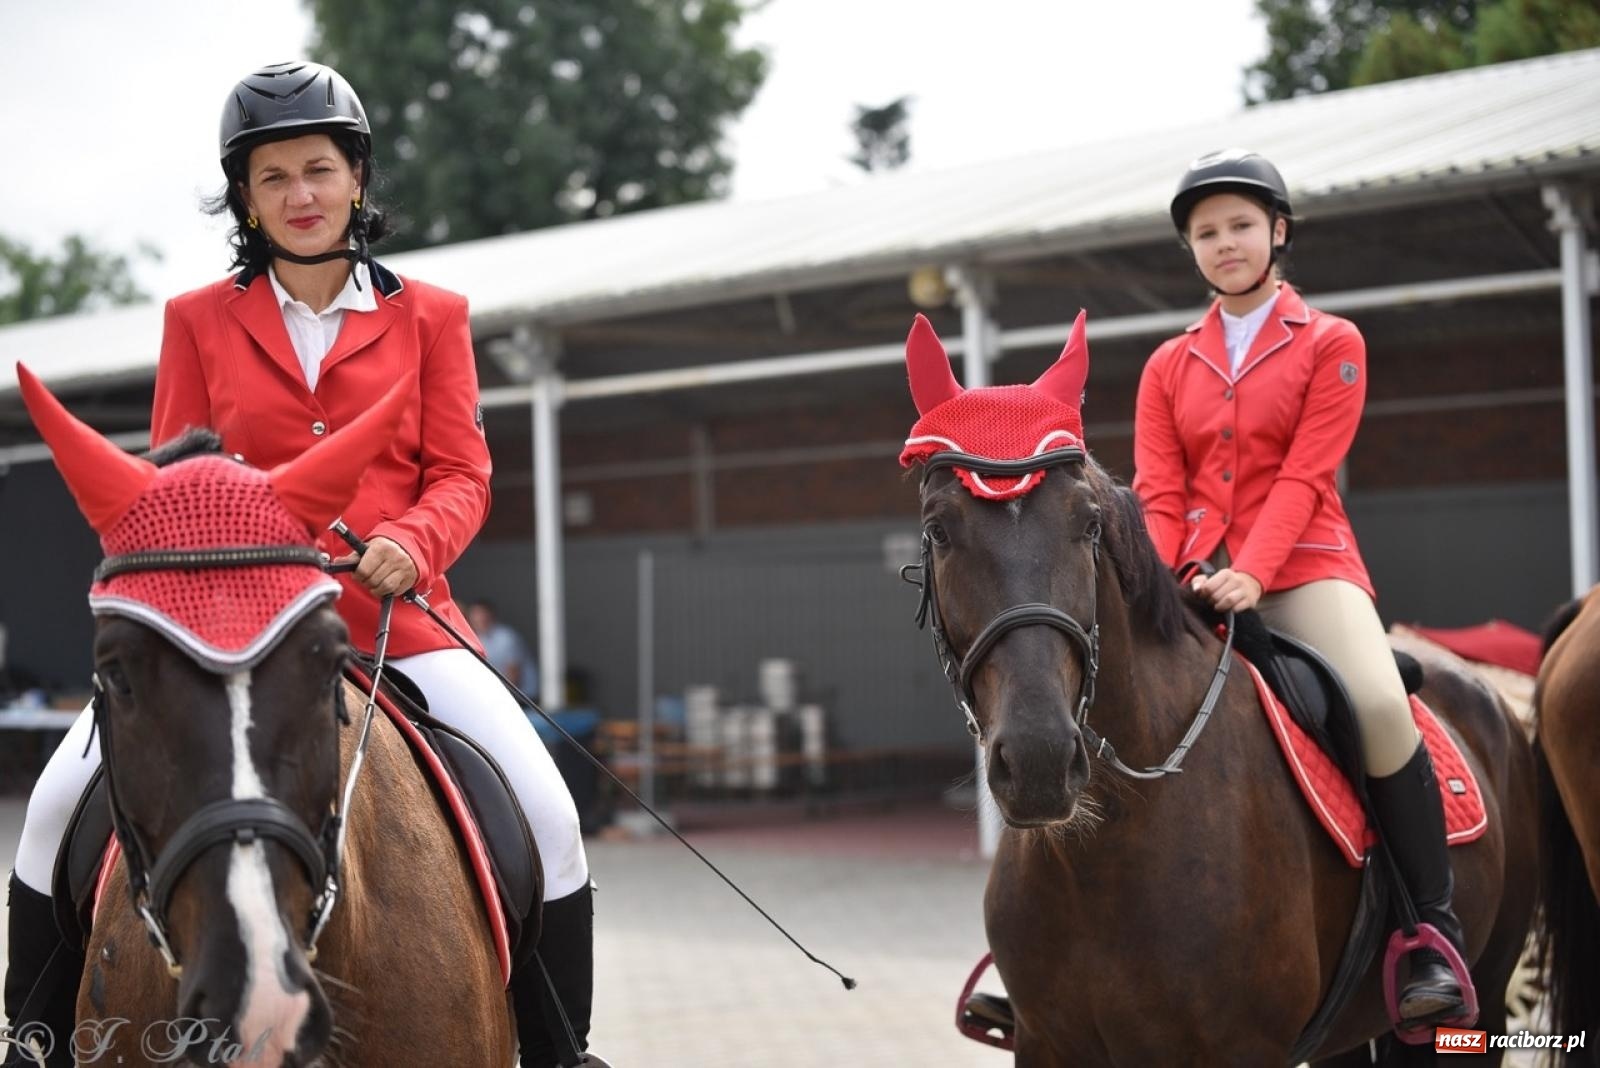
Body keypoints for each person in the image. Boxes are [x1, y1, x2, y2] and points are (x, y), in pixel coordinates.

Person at [3, 62, 600, 1068]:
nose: (300, 195)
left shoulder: (434, 315)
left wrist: (412, 544)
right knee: (53, 808)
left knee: (550, 815)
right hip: (233, 635)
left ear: (356, 178)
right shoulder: (197, 320)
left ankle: (559, 1050)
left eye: (318, 170)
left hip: (401, 625)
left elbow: (462, 472)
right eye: (273, 177)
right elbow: (175, 483)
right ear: (245, 197)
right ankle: (28, 1040)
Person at [1132, 148, 1469, 1026]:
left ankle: (1430, 932)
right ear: (1191, 250)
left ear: (1277, 232)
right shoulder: (1167, 364)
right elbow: (1159, 493)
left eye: (1241, 225)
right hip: (1193, 577)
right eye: (1206, 232)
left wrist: (1254, 572)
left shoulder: (1331, 342)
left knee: (1380, 705)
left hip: (1306, 568)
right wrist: (1165, 581)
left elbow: (1306, 475)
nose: (1225, 242)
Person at [468, 599, 540, 697]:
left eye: (482, 614)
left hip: (525, 697)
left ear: (491, 615)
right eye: (475, 614)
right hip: (498, 695)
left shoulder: (506, 637)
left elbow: (514, 676)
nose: (479, 618)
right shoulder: (475, 638)